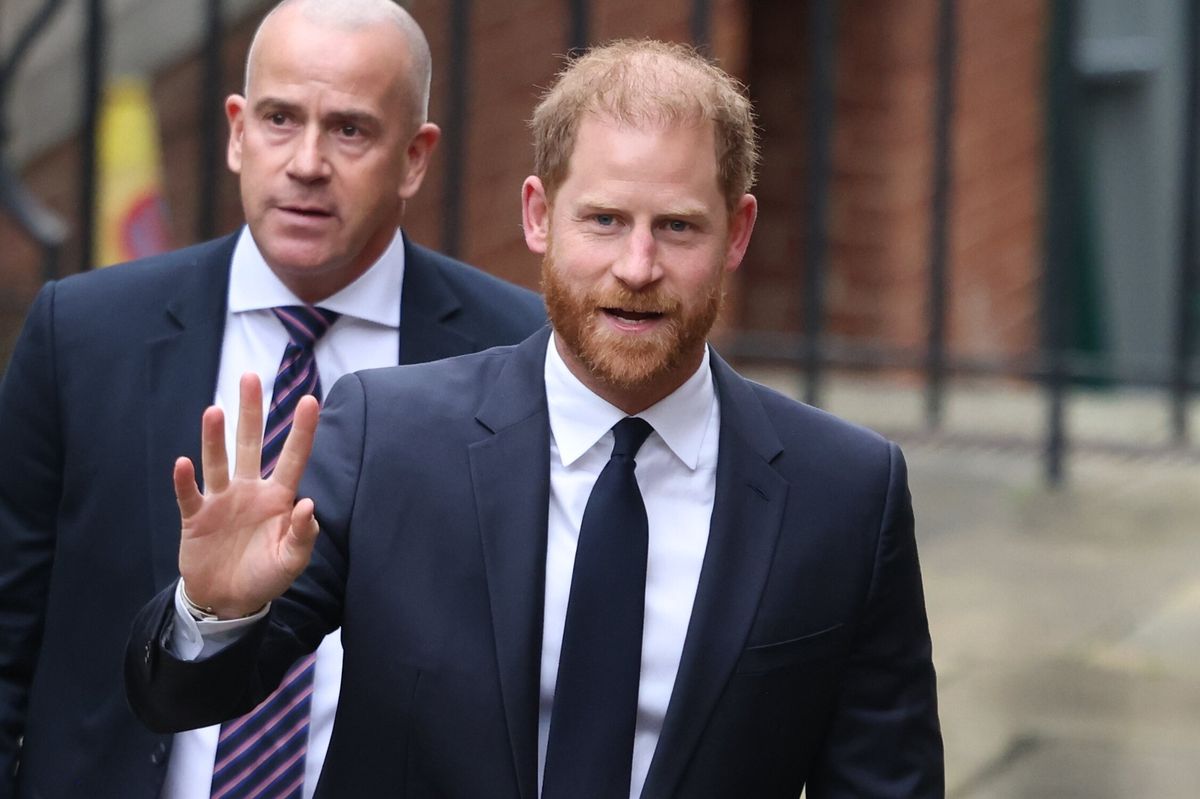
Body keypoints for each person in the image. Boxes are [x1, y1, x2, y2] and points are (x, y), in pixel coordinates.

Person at [125, 39, 943, 798]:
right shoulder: (390, 438)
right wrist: (216, 611)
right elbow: (182, 699)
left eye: (679, 226)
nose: (638, 267)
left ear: (738, 233)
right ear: (539, 217)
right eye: (605, 219)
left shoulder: (845, 495)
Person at [0, 0, 545, 797]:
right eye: (280, 119)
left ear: (416, 157)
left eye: (350, 129)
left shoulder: (515, 354)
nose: (307, 162)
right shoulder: (81, 335)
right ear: (235, 131)